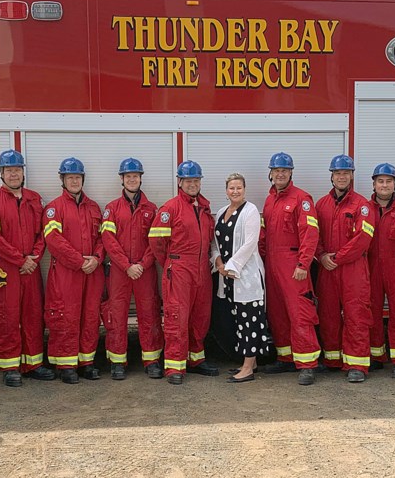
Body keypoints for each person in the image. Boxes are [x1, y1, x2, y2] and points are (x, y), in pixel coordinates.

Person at [0, 150, 53, 387]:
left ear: (23, 172)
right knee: (6, 317)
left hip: (30, 268)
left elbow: (44, 233)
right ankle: (9, 366)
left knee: (33, 315)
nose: (13, 174)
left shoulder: (35, 199)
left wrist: (34, 257)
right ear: (1, 173)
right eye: (9, 170)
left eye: (17, 170)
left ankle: (33, 364)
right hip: (5, 270)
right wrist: (21, 260)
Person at [148, 160, 220, 385]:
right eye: (188, 180)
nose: (192, 184)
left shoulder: (204, 208)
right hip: (179, 268)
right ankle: (174, 365)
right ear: (180, 182)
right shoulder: (170, 208)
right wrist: (171, 263)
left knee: (200, 316)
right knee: (177, 317)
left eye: (196, 180)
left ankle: (196, 359)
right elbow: (156, 243)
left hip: (201, 270)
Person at [259, 152, 322, 385]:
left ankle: (307, 364)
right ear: (271, 173)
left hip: (293, 262)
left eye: (284, 170)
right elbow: (264, 233)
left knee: (300, 313)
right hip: (273, 263)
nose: (280, 174)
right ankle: (286, 358)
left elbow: (310, 233)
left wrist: (303, 263)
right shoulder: (269, 200)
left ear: (291, 172)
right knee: (277, 312)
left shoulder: (301, 198)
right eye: (276, 170)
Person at [101, 158, 165, 380]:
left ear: (140, 178)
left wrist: (142, 264)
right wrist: (127, 265)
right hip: (121, 271)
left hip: (144, 271)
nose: (132, 179)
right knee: (116, 315)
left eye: (135, 176)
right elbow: (108, 240)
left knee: (149, 314)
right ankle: (118, 362)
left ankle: (152, 360)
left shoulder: (152, 208)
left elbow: (155, 242)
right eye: (128, 176)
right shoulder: (112, 208)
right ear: (122, 179)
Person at [43, 157, 105, 384]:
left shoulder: (94, 207)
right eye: (70, 177)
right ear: (63, 180)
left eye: (77, 177)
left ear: (83, 179)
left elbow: (102, 238)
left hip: (92, 271)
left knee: (90, 316)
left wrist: (97, 258)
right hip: (67, 273)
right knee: (66, 316)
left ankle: (86, 362)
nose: (74, 181)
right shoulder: (54, 209)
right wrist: (80, 261)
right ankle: (66, 364)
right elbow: (54, 241)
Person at [314, 154, 375, 383]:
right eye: (338, 173)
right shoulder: (321, 204)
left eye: (346, 173)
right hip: (327, 268)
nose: (342, 177)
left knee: (356, 315)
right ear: (331, 176)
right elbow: (313, 235)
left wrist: (336, 258)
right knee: (328, 314)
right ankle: (332, 359)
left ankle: (357, 363)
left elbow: (363, 239)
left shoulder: (363, 205)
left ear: (352, 175)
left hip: (352, 269)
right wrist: (320, 255)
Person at [210, 173, 271, 383]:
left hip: (246, 276)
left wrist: (231, 266)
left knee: (250, 320)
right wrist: (218, 263)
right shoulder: (220, 212)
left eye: (239, 188)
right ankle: (250, 362)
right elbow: (215, 243)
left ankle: (247, 369)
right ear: (226, 190)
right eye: (231, 188)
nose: (235, 191)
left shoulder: (251, 211)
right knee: (237, 320)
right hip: (226, 277)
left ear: (244, 190)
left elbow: (250, 244)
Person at [366, 163, 395, 379]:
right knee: (372, 312)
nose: (384, 185)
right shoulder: (364, 209)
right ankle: (376, 356)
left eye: (389, 181)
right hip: (370, 267)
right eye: (380, 181)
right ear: (374, 184)